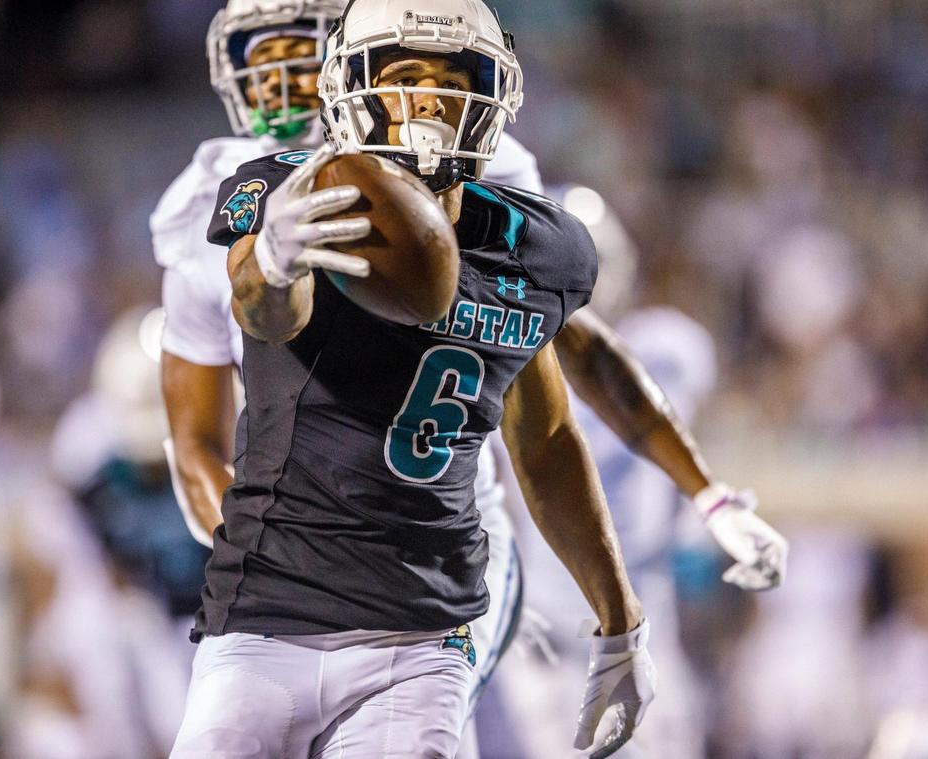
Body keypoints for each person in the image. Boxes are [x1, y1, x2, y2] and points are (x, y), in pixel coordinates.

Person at [168, 1, 655, 756]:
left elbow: (550, 437)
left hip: (422, 637)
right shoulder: (291, 196)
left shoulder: (538, 247)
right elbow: (265, 311)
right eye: (404, 75)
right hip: (265, 620)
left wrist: (622, 622)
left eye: (451, 76)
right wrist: (272, 261)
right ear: (351, 91)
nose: (429, 97)